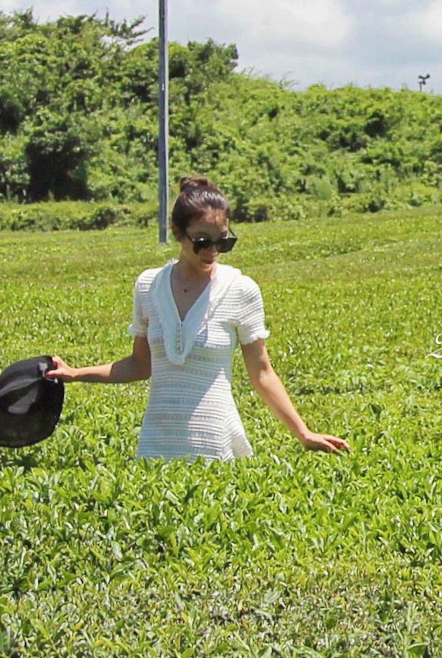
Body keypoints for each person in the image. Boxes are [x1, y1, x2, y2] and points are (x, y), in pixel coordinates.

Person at [47, 175, 349, 462]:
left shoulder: (241, 290)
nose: (213, 251)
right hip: (156, 444)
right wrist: (76, 373)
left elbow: (262, 373)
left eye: (223, 241)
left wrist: (303, 432)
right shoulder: (148, 286)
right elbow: (140, 365)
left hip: (216, 442)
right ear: (178, 233)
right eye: (203, 241)